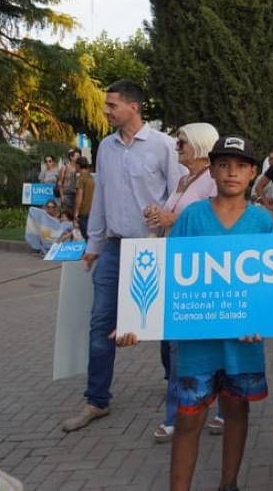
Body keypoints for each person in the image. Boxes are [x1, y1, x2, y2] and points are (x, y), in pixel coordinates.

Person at [116, 135, 270, 491]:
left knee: (237, 412)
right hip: (197, 342)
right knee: (188, 419)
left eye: (241, 166)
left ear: (252, 173)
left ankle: (229, 484)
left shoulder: (261, 222)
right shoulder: (192, 216)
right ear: (211, 171)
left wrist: (262, 321)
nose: (232, 172)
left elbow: (268, 286)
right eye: (223, 165)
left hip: (243, 342)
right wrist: (136, 321)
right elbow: (167, 271)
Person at [63, 79, 184, 433]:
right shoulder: (106, 147)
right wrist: (93, 246)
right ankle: (96, 400)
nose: (106, 111)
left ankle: (175, 390)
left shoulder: (163, 146)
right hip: (114, 249)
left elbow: (179, 196)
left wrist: (170, 226)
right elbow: (101, 199)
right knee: (101, 323)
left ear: (134, 107)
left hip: (155, 248)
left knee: (165, 325)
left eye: (112, 105)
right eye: (106, 105)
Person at [142, 122, 220, 443]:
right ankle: (188, 410)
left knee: (189, 344)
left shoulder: (213, 178)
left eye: (182, 142)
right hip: (177, 268)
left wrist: (171, 218)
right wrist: (157, 214)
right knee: (178, 344)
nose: (177, 148)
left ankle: (181, 415)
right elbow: (174, 215)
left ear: (200, 145)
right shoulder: (184, 179)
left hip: (201, 271)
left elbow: (216, 219)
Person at [73, 156, 95, 240]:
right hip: (92, 210)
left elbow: (79, 195)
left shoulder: (81, 179)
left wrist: (76, 212)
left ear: (78, 166)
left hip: (84, 211)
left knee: (86, 236)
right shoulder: (91, 178)